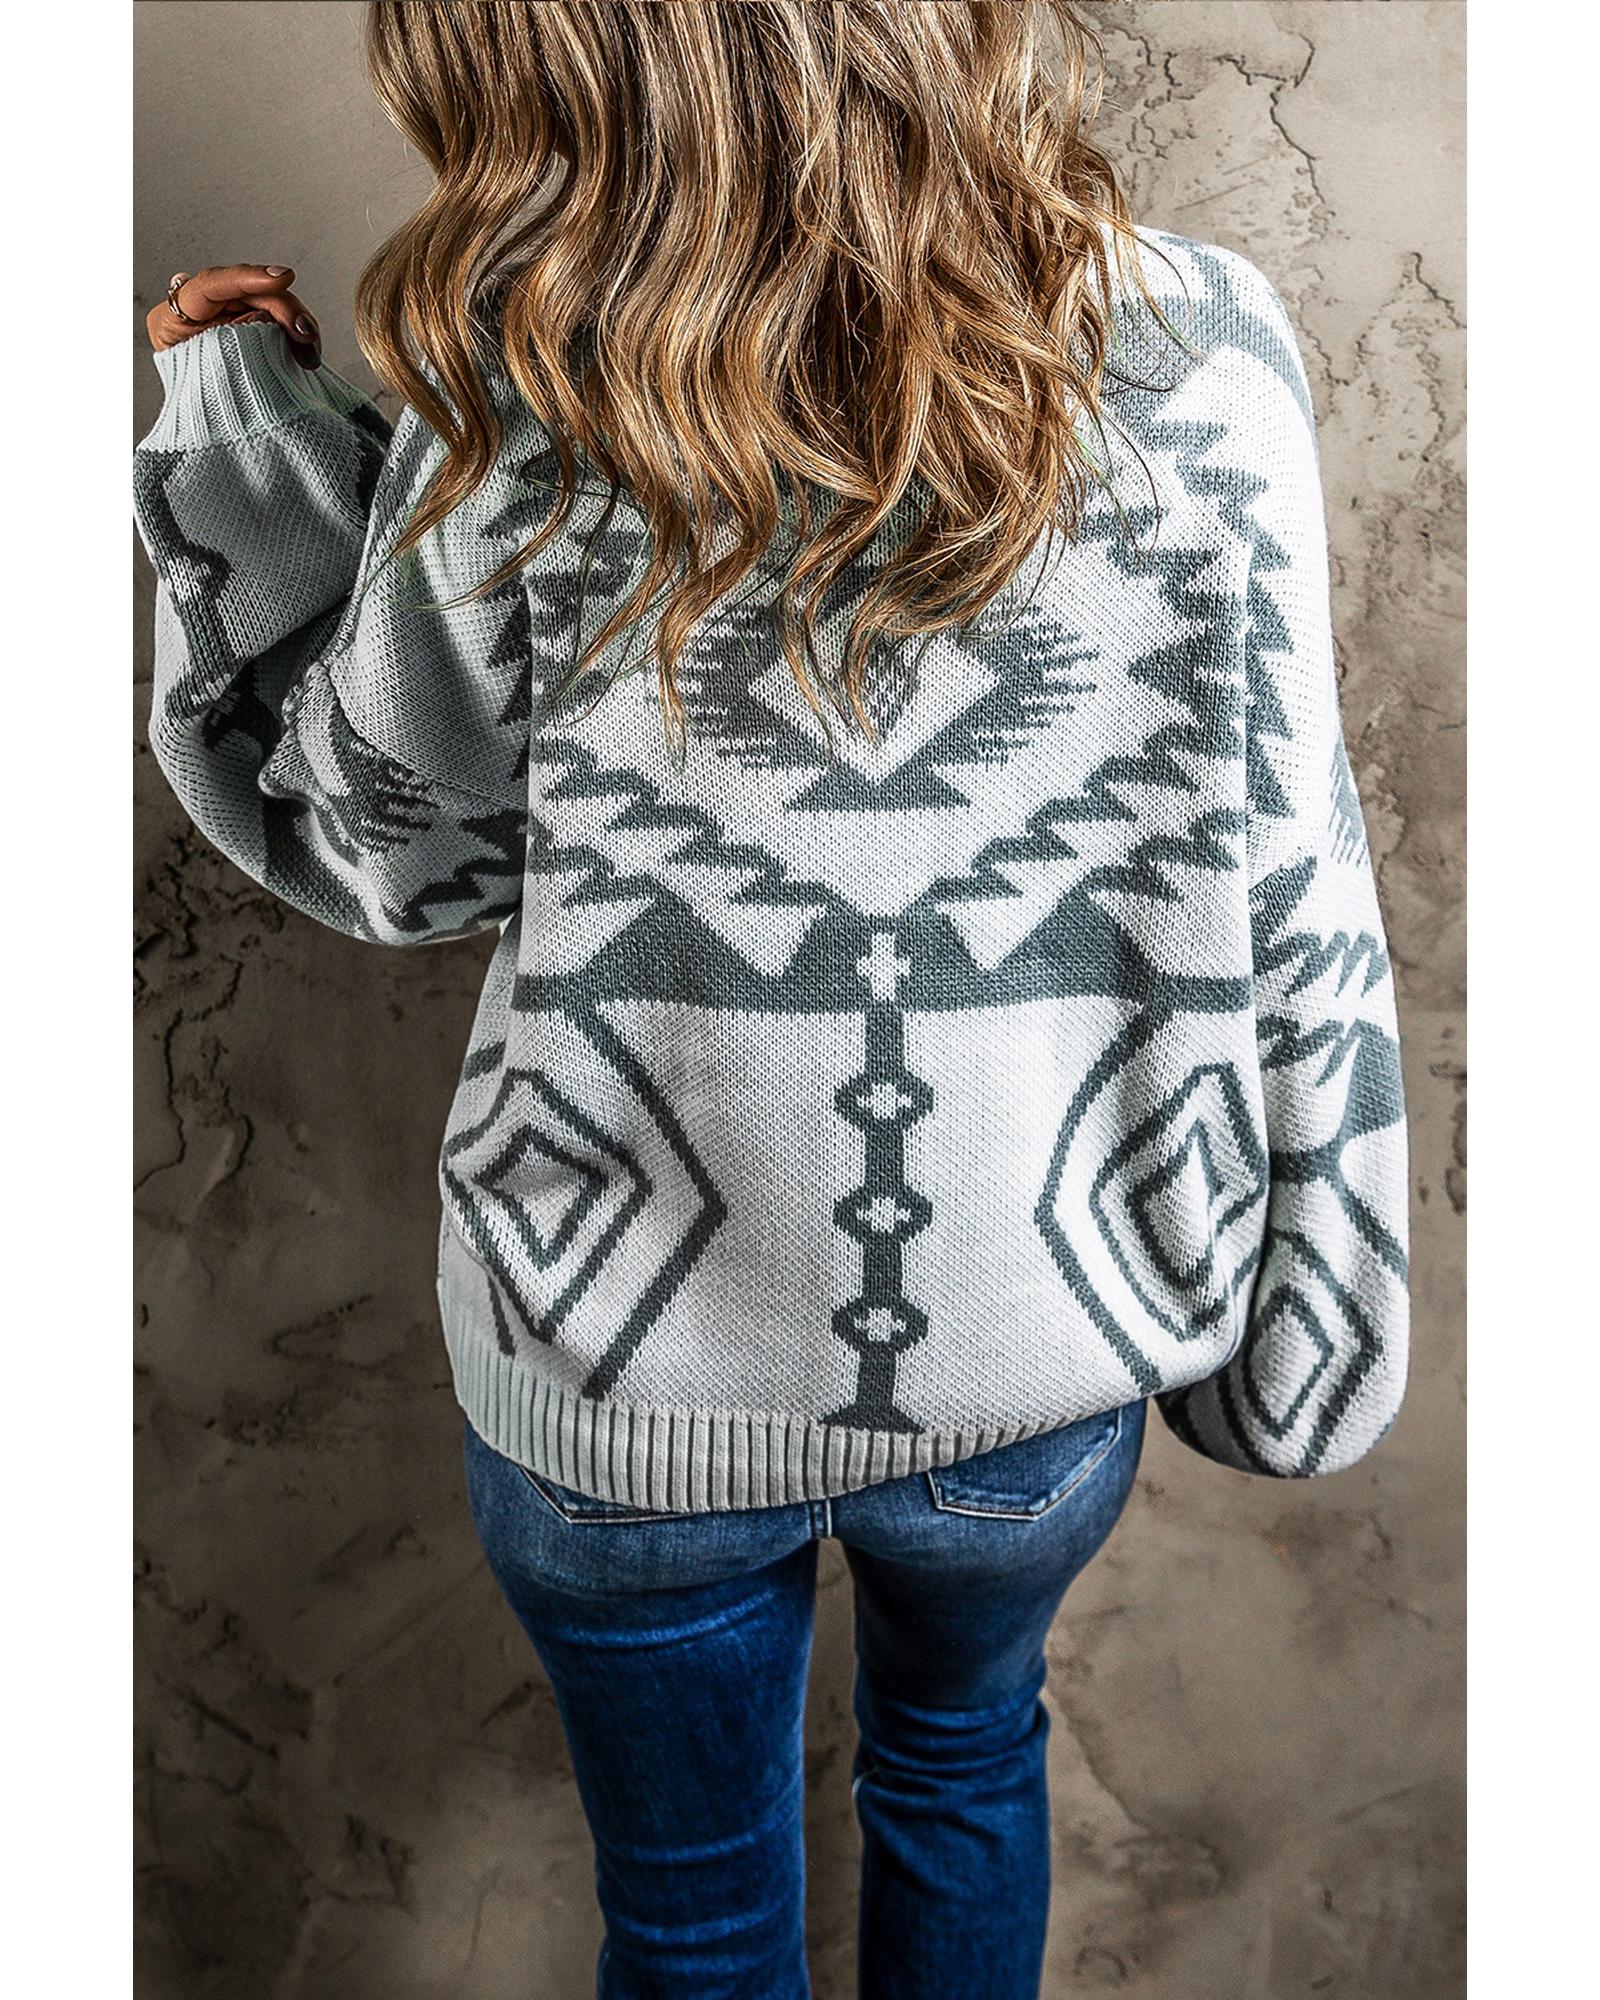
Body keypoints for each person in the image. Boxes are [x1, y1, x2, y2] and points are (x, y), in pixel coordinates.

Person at [134, 4, 1409, 1995]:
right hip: (1040, 1334)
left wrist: (243, 442)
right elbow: (1291, 853)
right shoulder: (1204, 343)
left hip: (614, 1353)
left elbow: (390, 860)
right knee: (966, 1765)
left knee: (692, 1913)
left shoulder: (521, 391)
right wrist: (1324, 1289)